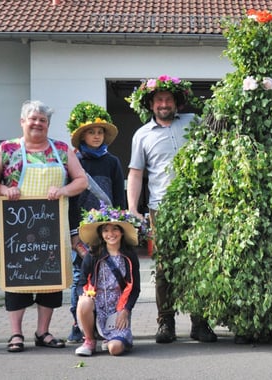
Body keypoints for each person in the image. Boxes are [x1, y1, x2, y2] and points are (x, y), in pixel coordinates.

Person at [126, 74, 217, 344]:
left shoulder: (195, 123)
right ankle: (165, 322)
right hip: (161, 208)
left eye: (168, 99)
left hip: (196, 205)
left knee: (200, 264)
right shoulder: (142, 135)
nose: (164, 104)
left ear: (176, 103)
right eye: (159, 100)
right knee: (166, 268)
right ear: (151, 105)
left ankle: (200, 322)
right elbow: (135, 173)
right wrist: (133, 208)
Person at [0, 100, 89, 353]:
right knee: (16, 281)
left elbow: (81, 181)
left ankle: (43, 332)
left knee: (49, 281)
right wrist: (6, 189)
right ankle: (16, 334)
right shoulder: (6, 149)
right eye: (33, 118)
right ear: (22, 121)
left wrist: (62, 190)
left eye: (42, 120)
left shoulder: (61, 149)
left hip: (52, 225)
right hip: (17, 226)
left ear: (48, 124)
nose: (37, 123)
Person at [64, 101, 127, 344]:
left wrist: (120, 226)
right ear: (81, 135)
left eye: (100, 132)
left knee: (106, 276)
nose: (97, 136)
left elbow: (119, 199)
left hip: (106, 230)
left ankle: (105, 321)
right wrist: (72, 233)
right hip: (80, 232)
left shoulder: (112, 162)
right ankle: (76, 323)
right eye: (91, 132)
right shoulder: (73, 161)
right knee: (81, 275)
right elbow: (69, 201)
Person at [74, 207, 144, 357]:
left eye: (114, 229)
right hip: (96, 306)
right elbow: (80, 283)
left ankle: (111, 338)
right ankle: (90, 340)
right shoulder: (93, 255)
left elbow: (135, 288)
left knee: (115, 349)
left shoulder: (129, 256)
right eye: (105, 230)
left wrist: (126, 311)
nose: (110, 234)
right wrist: (84, 294)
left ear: (122, 232)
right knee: (84, 302)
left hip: (118, 309)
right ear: (101, 234)